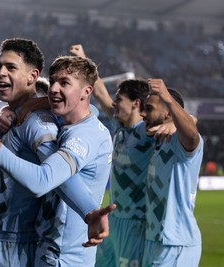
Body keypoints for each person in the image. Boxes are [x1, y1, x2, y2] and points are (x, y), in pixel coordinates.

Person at [0, 55, 114, 266]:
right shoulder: (64, 121)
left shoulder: (86, 136)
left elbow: (42, 181)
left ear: (86, 92)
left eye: (64, 83)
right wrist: (17, 107)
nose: (54, 88)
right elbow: (88, 108)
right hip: (46, 250)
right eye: (53, 81)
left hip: (67, 257)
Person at [70, 44, 176, 267]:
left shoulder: (147, 132)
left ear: (136, 103)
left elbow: (188, 124)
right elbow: (99, 93)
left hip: (135, 222)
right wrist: (83, 59)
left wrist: (176, 124)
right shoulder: (119, 126)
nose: (114, 103)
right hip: (113, 220)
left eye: (120, 99)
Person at [0, 37, 59, 267]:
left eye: (11, 67)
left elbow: (53, 184)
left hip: (19, 245)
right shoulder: (9, 119)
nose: (0, 72)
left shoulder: (40, 124)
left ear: (32, 76)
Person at [141, 79, 203, 267]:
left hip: (175, 242)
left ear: (168, 112)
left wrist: (167, 97)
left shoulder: (180, 144)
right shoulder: (159, 141)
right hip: (155, 240)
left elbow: (192, 135)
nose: (143, 114)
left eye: (149, 108)